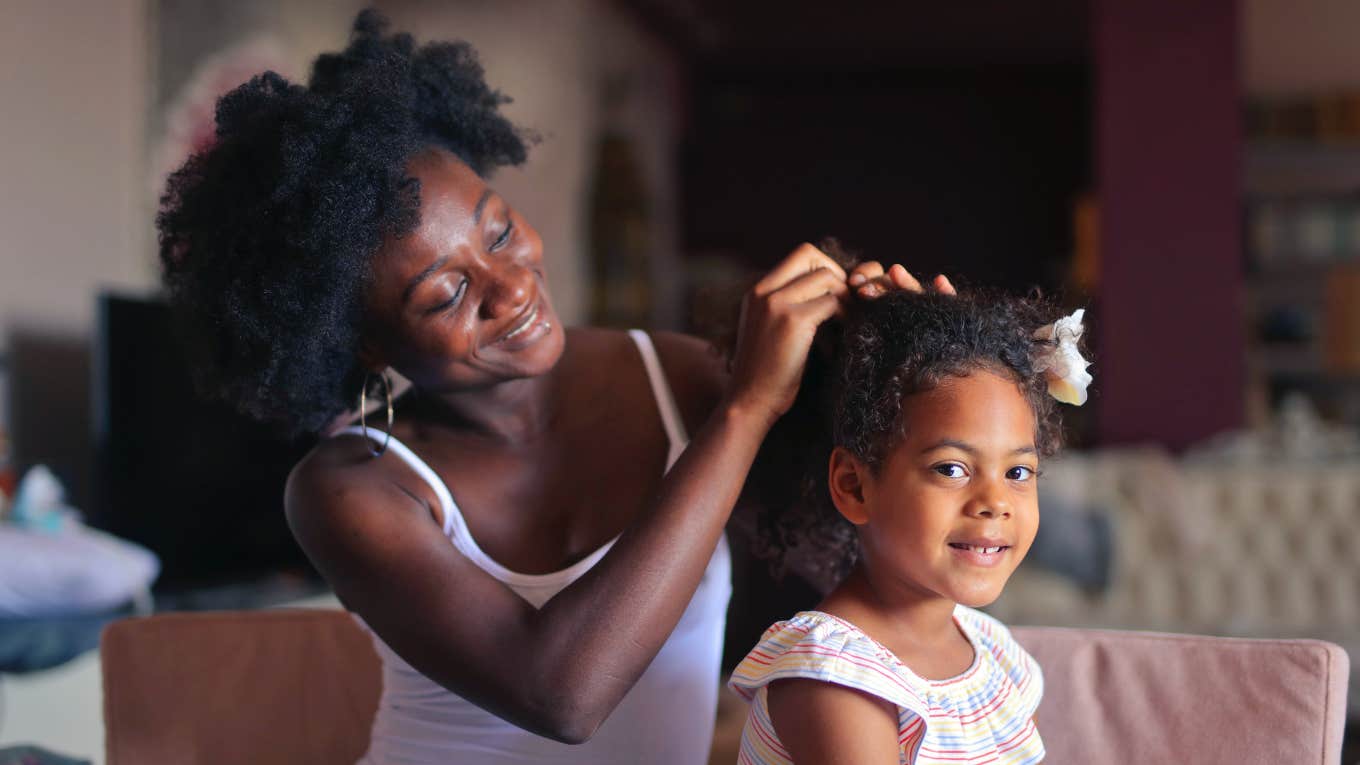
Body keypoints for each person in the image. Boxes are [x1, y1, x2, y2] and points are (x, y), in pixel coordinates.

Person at [156, 10, 950, 764]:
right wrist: (747, 407)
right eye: (444, 294)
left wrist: (913, 376)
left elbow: (892, 534)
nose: (510, 289)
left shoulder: (674, 378)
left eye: (500, 230)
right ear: (363, 341)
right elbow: (563, 694)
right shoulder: (350, 489)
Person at [728, 287, 1091, 764]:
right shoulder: (836, 676)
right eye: (951, 468)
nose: (995, 502)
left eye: (1018, 472)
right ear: (855, 487)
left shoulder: (996, 656)